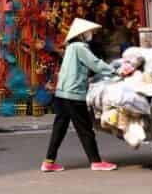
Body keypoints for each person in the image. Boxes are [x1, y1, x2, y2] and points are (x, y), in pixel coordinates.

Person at [42, 18, 117, 173]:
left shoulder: (70, 47)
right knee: (85, 129)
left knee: (59, 129)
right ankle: (96, 162)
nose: (91, 34)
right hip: (73, 94)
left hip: (62, 93)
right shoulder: (80, 47)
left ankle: (49, 162)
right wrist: (115, 70)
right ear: (82, 34)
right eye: (89, 32)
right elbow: (95, 64)